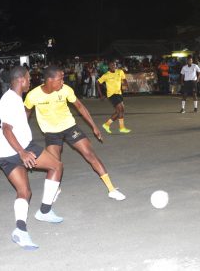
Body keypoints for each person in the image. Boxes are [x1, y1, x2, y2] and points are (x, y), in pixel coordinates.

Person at [24, 66, 126, 201]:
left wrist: (94, 126)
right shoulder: (33, 95)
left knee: (90, 154)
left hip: (70, 127)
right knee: (54, 164)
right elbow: (25, 114)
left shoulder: (65, 90)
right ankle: (55, 189)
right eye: (60, 79)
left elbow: (80, 106)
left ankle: (111, 189)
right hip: (51, 133)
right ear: (49, 80)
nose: (62, 82)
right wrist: (22, 136)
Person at [0, 66, 64, 250]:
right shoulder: (10, 100)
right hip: (20, 148)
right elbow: (7, 129)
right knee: (56, 166)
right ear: (21, 80)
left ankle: (20, 230)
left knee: (25, 192)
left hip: (3, 154)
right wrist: (22, 152)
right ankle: (45, 211)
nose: (30, 81)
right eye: (28, 78)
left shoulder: (14, 98)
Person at [96, 61, 131, 134]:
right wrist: (101, 95)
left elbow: (124, 79)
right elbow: (98, 83)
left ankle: (106, 125)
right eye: (112, 65)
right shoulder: (106, 75)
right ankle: (121, 128)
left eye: (114, 65)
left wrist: (127, 86)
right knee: (120, 110)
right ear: (109, 66)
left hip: (119, 93)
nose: (113, 66)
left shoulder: (120, 71)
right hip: (111, 95)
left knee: (120, 111)